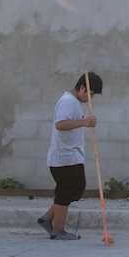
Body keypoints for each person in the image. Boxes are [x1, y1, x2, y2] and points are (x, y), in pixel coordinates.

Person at [39, 72, 102, 241]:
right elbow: (60, 124)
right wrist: (85, 122)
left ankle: (48, 218)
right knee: (66, 192)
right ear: (82, 88)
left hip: (71, 156)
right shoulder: (68, 101)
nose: (91, 99)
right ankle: (58, 230)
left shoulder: (73, 102)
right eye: (91, 94)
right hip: (64, 157)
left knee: (75, 189)